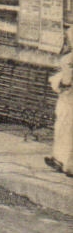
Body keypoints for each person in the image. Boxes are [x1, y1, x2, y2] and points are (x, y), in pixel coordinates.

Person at [46, 26, 72, 177]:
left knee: (67, 131)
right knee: (63, 130)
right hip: (66, 100)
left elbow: (67, 80)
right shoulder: (67, 59)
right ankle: (60, 159)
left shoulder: (68, 59)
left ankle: (67, 164)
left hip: (69, 100)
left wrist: (65, 82)